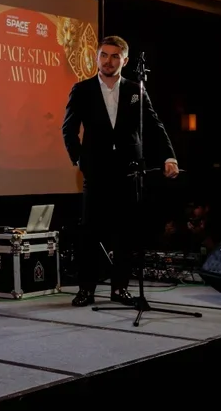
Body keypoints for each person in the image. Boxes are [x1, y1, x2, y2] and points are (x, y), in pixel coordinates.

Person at [62, 35, 179, 307]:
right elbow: (68, 129)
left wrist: (169, 156)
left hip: (129, 171)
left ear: (124, 61)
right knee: (90, 232)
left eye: (115, 56)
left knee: (126, 233)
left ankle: (120, 288)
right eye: (104, 55)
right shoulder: (82, 89)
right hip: (96, 171)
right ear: (96, 58)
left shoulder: (136, 89)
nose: (108, 61)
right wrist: (79, 159)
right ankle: (86, 289)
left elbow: (154, 124)